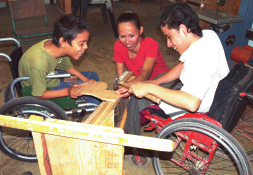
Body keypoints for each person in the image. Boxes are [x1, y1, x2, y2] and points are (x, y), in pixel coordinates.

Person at [123, 1, 229, 135]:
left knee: (139, 101)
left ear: (183, 29)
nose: (168, 44)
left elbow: (191, 103)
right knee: (155, 81)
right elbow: (181, 66)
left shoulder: (200, 58)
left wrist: (150, 88)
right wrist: (154, 83)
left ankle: (129, 138)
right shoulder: (207, 36)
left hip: (200, 110)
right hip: (210, 97)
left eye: (169, 37)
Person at [18, 14, 101, 105]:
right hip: (46, 89)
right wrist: (68, 91)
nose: (86, 47)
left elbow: (68, 68)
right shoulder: (39, 63)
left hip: (53, 76)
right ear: (63, 42)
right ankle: (93, 116)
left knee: (92, 76)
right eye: (81, 44)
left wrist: (87, 81)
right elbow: (39, 95)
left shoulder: (56, 47)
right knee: (92, 93)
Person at [113, 12, 170, 97]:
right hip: (139, 85)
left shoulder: (151, 45)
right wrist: (121, 87)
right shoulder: (118, 46)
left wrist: (129, 86)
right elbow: (120, 76)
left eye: (132, 35)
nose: (127, 42)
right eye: (122, 36)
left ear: (140, 31)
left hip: (162, 85)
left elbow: (146, 72)